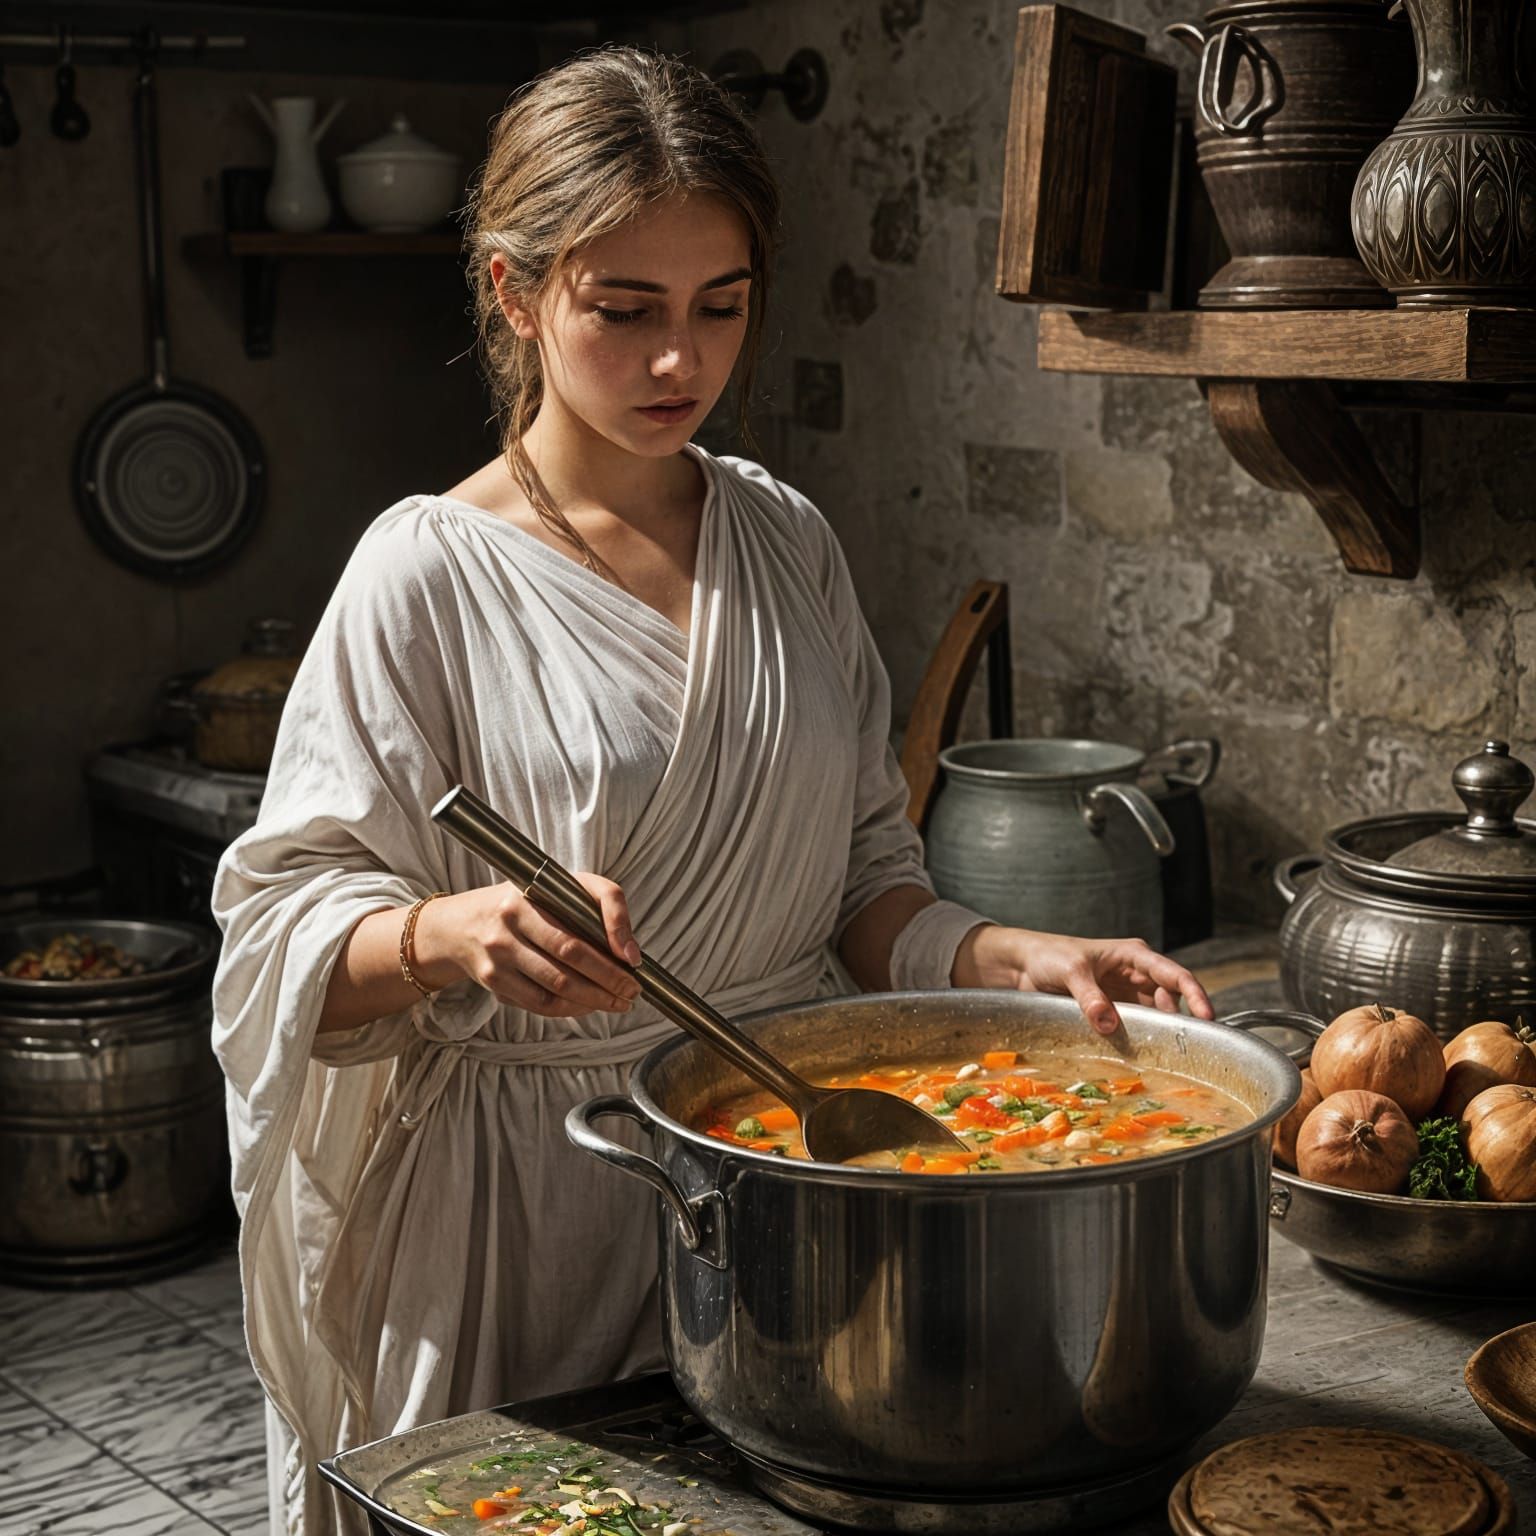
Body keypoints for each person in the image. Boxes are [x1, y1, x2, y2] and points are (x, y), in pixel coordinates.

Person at [211, 45, 1213, 1536]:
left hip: (783, 1183)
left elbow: (863, 878)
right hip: (534, 1208)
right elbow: (274, 929)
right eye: (625, 312)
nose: (679, 362)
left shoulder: (787, 540)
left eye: (720, 307)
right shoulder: (425, 574)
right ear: (513, 294)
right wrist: (448, 935)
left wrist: (1014, 955)